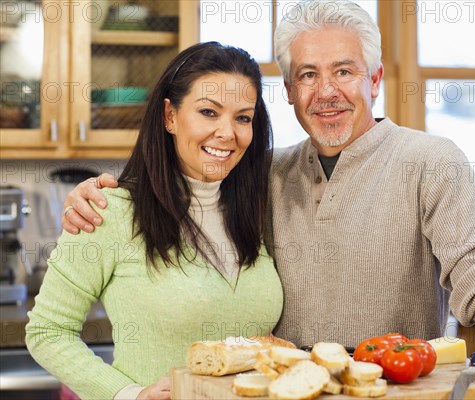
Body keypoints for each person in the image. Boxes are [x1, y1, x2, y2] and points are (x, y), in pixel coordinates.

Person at [61, 1, 475, 398]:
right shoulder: (264, 172)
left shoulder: (432, 161)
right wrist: (106, 191)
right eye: (308, 75)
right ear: (288, 92)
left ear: (374, 79)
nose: (326, 91)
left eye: (344, 71)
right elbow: (190, 172)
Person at [26, 42, 283, 400]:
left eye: (243, 117)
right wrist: (128, 394)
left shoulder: (257, 208)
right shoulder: (109, 210)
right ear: (170, 116)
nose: (228, 132)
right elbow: (48, 330)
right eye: (209, 112)